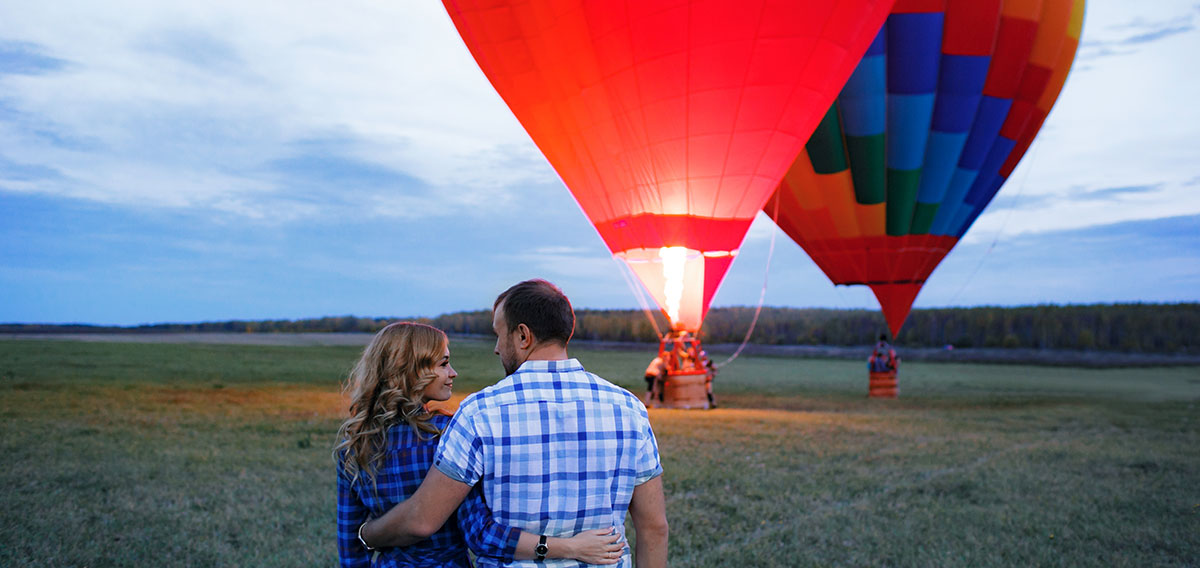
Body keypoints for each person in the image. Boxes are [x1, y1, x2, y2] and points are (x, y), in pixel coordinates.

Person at [360, 280, 669, 567]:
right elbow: (653, 527)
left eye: (499, 334)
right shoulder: (629, 408)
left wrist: (368, 534)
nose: (496, 348)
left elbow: (422, 519)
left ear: (523, 336)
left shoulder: (479, 412)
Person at [335, 322, 624, 567]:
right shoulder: (445, 434)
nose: (453, 373)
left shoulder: (353, 447)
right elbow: (481, 534)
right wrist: (570, 548)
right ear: (413, 371)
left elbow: (350, 548)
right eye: (444, 363)